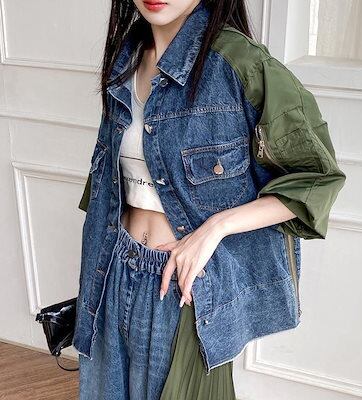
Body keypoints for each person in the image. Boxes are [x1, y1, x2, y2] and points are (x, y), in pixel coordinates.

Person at [73, 0, 346, 399]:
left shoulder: (240, 64)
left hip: (183, 286)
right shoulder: (125, 59)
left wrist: (214, 229)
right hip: (112, 268)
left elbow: (316, 177)